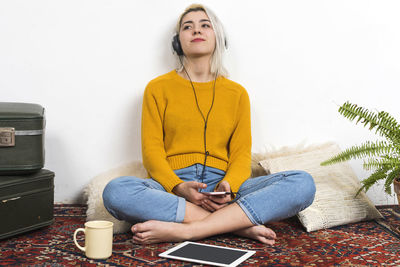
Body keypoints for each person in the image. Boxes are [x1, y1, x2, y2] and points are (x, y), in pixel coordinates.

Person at [103, 3, 316, 245]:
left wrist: (228, 186)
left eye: (205, 25)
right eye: (188, 27)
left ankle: (188, 230)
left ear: (219, 38)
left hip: (224, 187)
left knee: (302, 183)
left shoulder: (237, 94)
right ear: (177, 42)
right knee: (116, 192)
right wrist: (179, 187)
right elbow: (152, 152)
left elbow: (240, 155)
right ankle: (236, 226)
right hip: (172, 188)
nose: (196, 31)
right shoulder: (157, 88)